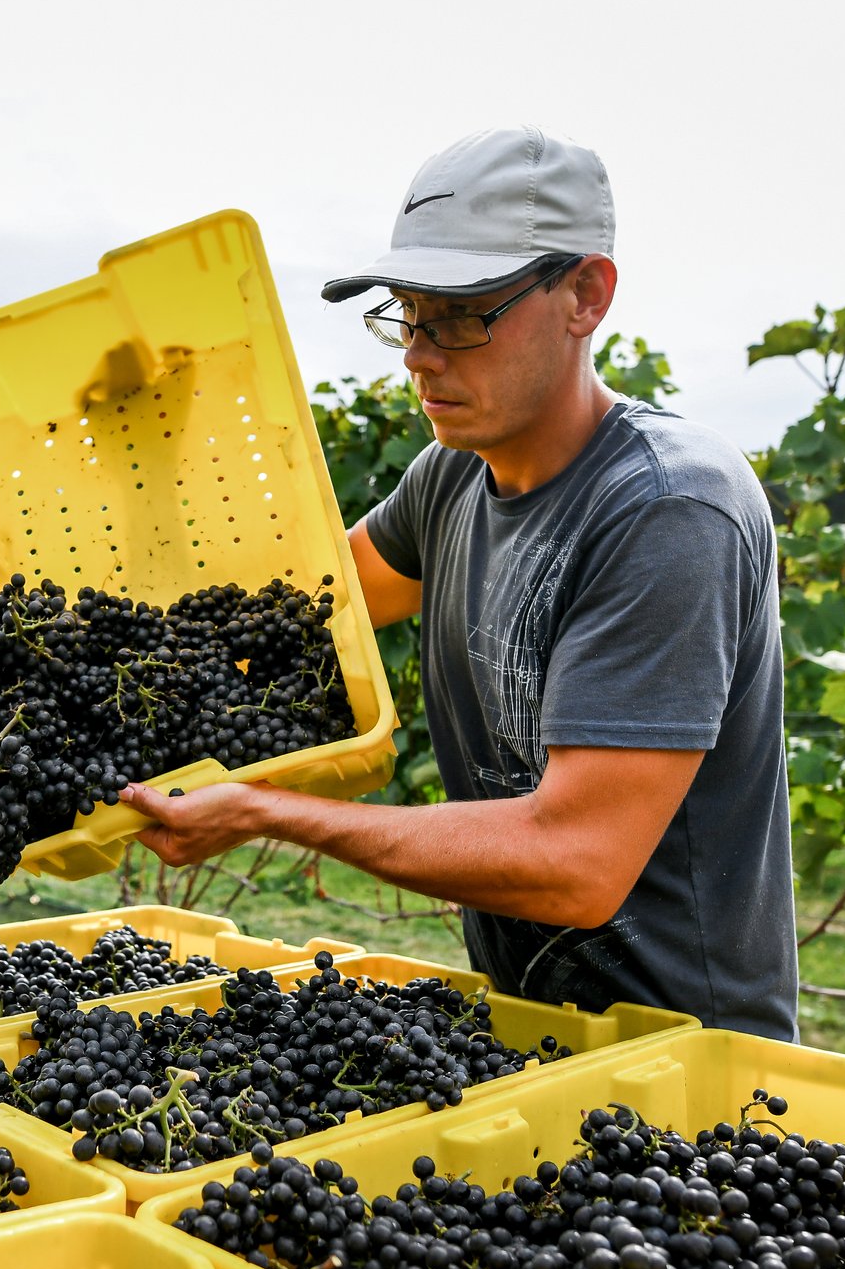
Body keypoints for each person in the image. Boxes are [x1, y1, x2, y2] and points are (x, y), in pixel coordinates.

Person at [120, 125, 798, 1039]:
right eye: (408, 313)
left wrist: (273, 811)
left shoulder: (669, 510)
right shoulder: (451, 479)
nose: (419, 356)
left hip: (687, 1069)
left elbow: (577, 862)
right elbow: (309, 618)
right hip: (526, 1026)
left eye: (462, 316)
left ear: (585, 295)